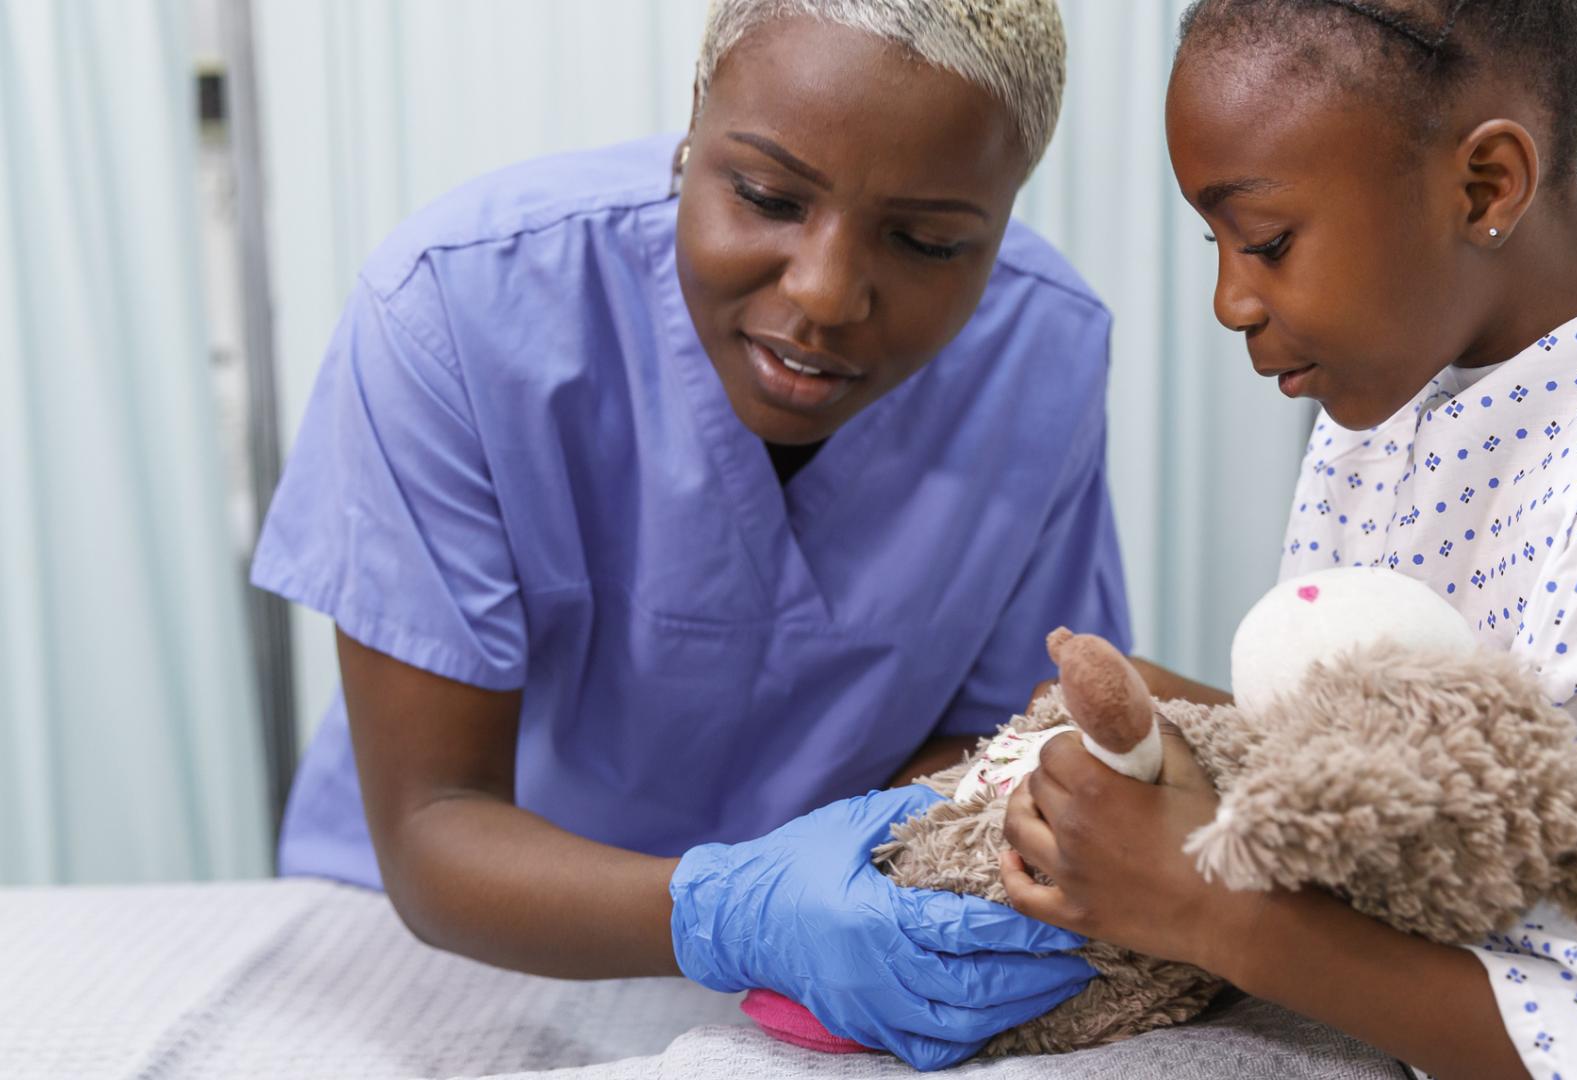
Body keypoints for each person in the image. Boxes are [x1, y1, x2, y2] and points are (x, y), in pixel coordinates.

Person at [998, 2, 1577, 1078]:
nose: (1228, 300)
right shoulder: (1386, 416)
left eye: (1265, 241)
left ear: (1484, 185)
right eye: (1214, 243)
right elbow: (1401, 801)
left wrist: (1210, 910)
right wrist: (1187, 752)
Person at [250, 0, 1123, 1069]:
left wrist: (902, 871)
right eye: (765, 196)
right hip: (452, 945)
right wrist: (739, 911)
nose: (823, 294)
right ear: (691, 128)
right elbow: (436, 819)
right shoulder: (455, 307)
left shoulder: (1043, 353)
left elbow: (997, 737)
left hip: (832, 961)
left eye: (928, 240)